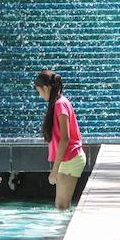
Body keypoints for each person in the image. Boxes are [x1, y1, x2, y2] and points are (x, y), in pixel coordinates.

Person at [34, 70, 85, 210]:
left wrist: (54, 170)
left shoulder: (59, 104)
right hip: (68, 159)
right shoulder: (59, 102)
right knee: (62, 205)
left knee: (61, 206)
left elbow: (65, 138)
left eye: (39, 91)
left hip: (71, 158)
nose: (40, 95)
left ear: (46, 88)